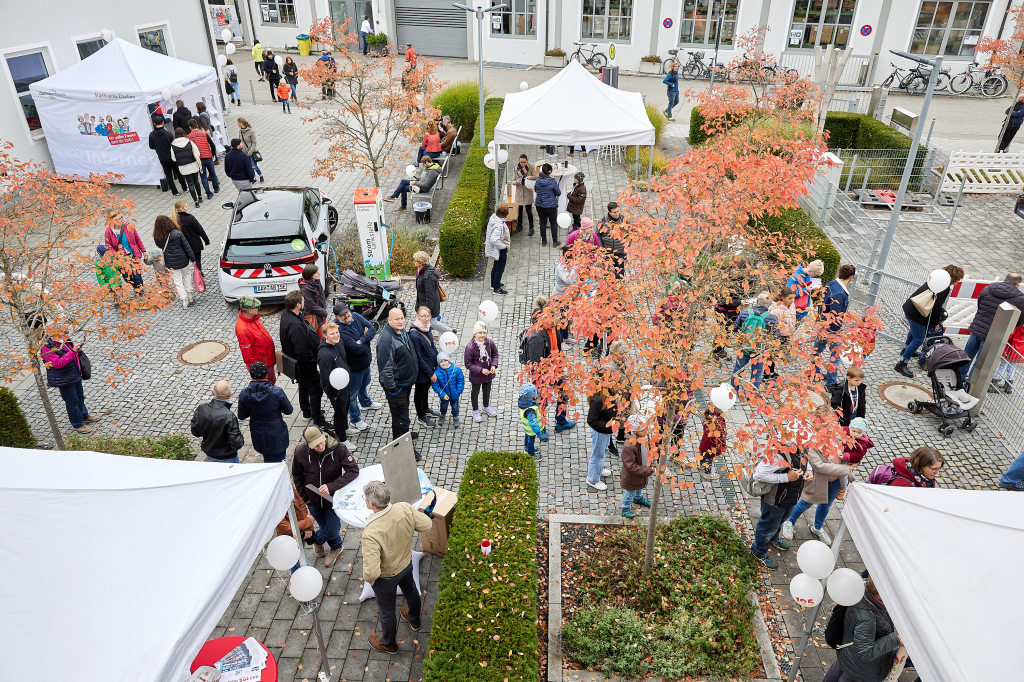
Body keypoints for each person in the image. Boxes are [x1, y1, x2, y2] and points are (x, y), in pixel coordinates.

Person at [361, 480, 432, 653]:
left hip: (386, 578)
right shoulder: (404, 508)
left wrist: (371, 582)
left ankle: (389, 644)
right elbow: (427, 525)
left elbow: (371, 571)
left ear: (370, 504)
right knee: (412, 592)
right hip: (406, 563)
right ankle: (415, 620)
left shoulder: (370, 532)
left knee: (387, 612)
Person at [292, 425, 359, 567]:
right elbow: (297, 475)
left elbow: (353, 470)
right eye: (316, 445)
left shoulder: (339, 448)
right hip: (313, 500)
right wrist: (305, 497)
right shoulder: (300, 452)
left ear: (324, 434)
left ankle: (316, 540)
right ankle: (336, 546)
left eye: (322, 442)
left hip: (333, 500)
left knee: (333, 529)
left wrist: (332, 486)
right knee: (324, 525)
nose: (321, 447)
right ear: (308, 445)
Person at [781, 433, 856, 546]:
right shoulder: (813, 443)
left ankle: (817, 527)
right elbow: (820, 466)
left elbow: (852, 457)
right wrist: (845, 469)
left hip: (836, 482)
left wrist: (854, 462)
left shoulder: (841, 441)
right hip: (819, 480)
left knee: (826, 505)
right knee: (806, 503)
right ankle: (789, 521)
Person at [749, 438, 813, 569]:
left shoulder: (803, 446)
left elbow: (805, 459)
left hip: (791, 496)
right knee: (768, 526)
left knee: (781, 520)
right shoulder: (778, 455)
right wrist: (786, 477)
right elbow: (757, 475)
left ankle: (773, 537)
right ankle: (758, 551)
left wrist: (809, 470)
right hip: (775, 500)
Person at [822, 575, 900, 682]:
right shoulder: (867, 618)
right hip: (860, 671)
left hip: (847, 655)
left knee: (834, 675)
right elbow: (865, 653)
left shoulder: (858, 591)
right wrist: (895, 639)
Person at [893, 264, 963, 379]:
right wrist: (936, 323)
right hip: (918, 314)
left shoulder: (936, 280)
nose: (957, 282)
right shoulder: (944, 288)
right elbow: (937, 306)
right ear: (954, 278)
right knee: (918, 339)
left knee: (914, 332)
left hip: (910, 308)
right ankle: (902, 363)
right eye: (958, 279)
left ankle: (906, 349)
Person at [524, 298, 576, 432]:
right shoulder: (536, 336)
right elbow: (535, 363)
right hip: (543, 374)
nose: (558, 319)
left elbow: (557, 347)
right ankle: (541, 428)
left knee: (563, 394)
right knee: (542, 401)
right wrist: (544, 378)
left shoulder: (554, 328)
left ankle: (561, 422)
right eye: (555, 316)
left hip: (556, 368)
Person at [962, 272, 1024, 381]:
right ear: (1018, 284)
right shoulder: (1020, 299)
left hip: (977, 328)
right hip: (993, 334)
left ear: (1004, 280)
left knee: (966, 356)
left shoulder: (988, 288)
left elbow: (980, 304)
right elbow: (1020, 320)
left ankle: (958, 378)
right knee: (980, 362)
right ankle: (969, 384)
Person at [281, 290, 327, 426]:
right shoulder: (294, 325)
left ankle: (307, 411)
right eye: (302, 301)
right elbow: (302, 349)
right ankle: (318, 419)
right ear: (297, 305)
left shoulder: (287, 314)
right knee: (316, 389)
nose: (304, 302)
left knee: (304, 386)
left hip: (299, 364)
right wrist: (313, 364)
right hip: (305, 365)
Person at [334, 301, 381, 431]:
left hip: (365, 363)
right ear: (337, 317)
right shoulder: (340, 331)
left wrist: (362, 340)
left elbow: (372, 328)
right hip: (354, 368)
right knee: (352, 395)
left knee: (365, 383)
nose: (347, 316)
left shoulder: (355, 316)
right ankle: (355, 419)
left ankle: (365, 403)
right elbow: (356, 349)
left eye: (347, 312)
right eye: (343, 315)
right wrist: (365, 338)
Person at [376, 307, 419, 442]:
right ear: (389, 321)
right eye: (396, 319)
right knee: (401, 417)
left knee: (402, 415)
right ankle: (403, 446)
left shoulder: (401, 332)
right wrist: (393, 389)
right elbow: (385, 369)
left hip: (404, 383)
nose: (400, 321)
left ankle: (403, 434)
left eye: (402, 318)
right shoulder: (386, 341)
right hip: (397, 387)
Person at [237, 361, 293, 463]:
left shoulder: (244, 394)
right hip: (277, 432)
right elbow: (289, 410)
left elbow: (241, 415)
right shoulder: (277, 392)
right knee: (279, 461)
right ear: (266, 374)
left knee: (267, 458)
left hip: (258, 432)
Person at [41, 334, 96, 434]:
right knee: (72, 401)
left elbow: (71, 352)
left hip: (74, 373)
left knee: (80, 396)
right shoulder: (46, 346)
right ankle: (77, 424)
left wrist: (76, 350)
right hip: (64, 378)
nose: (65, 331)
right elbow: (57, 363)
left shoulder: (64, 338)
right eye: (62, 329)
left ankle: (84, 416)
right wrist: (73, 351)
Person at [814, 263, 857, 388]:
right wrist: (837, 331)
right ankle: (831, 383)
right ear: (851, 277)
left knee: (817, 350)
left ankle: (814, 373)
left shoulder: (831, 283)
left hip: (822, 323)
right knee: (835, 354)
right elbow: (835, 315)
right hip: (831, 328)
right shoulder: (840, 293)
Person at [731, 293, 778, 392]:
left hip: (744, 347)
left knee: (738, 370)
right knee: (756, 374)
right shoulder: (773, 319)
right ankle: (752, 395)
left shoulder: (744, 313)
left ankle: (733, 390)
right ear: (770, 304)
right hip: (759, 351)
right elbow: (775, 338)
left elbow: (735, 329)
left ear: (756, 301)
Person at [318, 321, 354, 448]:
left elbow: (344, 360)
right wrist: (333, 394)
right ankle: (342, 439)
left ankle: (345, 428)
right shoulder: (324, 356)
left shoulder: (339, 343)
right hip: (336, 390)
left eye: (337, 332)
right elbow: (325, 379)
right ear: (325, 335)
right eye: (332, 333)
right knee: (340, 413)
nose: (336, 335)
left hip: (345, 384)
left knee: (345, 409)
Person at [190, 380, 245, 463]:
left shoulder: (201, 408)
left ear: (212, 392)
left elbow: (195, 431)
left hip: (210, 454)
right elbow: (237, 442)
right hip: (228, 456)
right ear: (229, 394)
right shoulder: (229, 416)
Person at [152, 215, 197, 309]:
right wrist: (193, 259)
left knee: (177, 281)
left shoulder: (157, 236)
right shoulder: (177, 233)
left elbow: (160, 246)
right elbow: (186, 247)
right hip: (183, 259)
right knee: (187, 275)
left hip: (170, 261)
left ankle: (184, 300)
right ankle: (190, 294)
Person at [408, 306, 440, 428]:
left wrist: (438, 361)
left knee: (426, 390)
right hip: (422, 371)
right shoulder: (414, 335)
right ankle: (421, 416)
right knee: (420, 393)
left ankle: (426, 409)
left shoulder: (427, 329)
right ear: (417, 317)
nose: (426, 319)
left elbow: (432, 346)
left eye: (428, 316)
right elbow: (418, 358)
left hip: (430, 367)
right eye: (423, 316)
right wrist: (430, 373)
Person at [236, 296, 277, 384]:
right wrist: (258, 370)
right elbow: (248, 356)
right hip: (262, 366)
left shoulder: (252, 318)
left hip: (267, 360)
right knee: (266, 388)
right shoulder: (242, 329)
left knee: (272, 382)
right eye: (257, 308)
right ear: (250, 311)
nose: (258, 309)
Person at [103, 210, 147, 289]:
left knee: (137, 276)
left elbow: (137, 239)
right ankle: (136, 288)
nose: (119, 221)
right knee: (127, 277)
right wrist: (117, 256)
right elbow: (108, 245)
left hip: (134, 255)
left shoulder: (129, 226)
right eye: (116, 219)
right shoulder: (109, 231)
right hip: (122, 258)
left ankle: (140, 292)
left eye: (120, 218)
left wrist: (144, 251)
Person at [465, 321, 499, 423]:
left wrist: (493, 365)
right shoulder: (470, 347)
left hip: (488, 374)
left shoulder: (489, 343)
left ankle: (486, 406)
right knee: (475, 392)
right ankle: (475, 410)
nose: (482, 335)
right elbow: (468, 364)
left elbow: (495, 354)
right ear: (475, 334)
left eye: (484, 332)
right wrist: (480, 370)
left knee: (487, 390)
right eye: (480, 333)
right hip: (476, 375)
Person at [586, 387, 619, 491]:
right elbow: (592, 420)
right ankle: (593, 479)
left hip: (605, 431)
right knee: (598, 454)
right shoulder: (597, 399)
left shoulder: (609, 393)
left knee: (603, 451)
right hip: (600, 431)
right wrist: (608, 425)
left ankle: (597, 470)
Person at [148, 115, 189, 196]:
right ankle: (184, 187)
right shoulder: (168, 134)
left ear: (154, 124)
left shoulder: (152, 135)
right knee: (178, 172)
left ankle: (174, 192)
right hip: (172, 157)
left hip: (162, 157)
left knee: (168, 175)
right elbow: (174, 144)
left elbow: (151, 146)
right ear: (163, 122)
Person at [620, 422, 654, 517]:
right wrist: (648, 470)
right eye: (643, 429)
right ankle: (625, 508)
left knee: (639, 485)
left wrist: (652, 464)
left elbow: (650, 452)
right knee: (630, 491)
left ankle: (638, 498)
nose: (646, 431)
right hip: (632, 475)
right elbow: (630, 466)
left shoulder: (644, 438)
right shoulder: (629, 446)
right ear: (635, 430)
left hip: (640, 471)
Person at [412, 251, 449, 334]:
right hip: (422, 302)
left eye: (415, 260)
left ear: (421, 262)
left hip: (428, 304)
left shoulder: (428, 276)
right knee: (422, 321)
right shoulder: (420, 271)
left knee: (433, 322)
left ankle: (449, 332)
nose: (414, 262)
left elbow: (430, 296)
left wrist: (427, 312)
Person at [170, 200, 210, 274]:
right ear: (181, 209)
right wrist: (206, 240)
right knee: (197, 260)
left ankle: (186, 275)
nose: (187, 207)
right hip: (194, 243)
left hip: (182, 245)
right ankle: (199, 274)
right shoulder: (190, 218)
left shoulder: (174, 219)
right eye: (185, 206)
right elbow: (199, 230)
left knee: (185, 261)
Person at [765, 285, 797, 379]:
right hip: (778, 336)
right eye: (789, 298)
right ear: (783, 298)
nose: (792, 300)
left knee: (776, 355)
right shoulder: (777, 310)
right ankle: (766, 375)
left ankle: (772, 371)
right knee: (771, 355)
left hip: (787, 334)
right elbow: (771, 325)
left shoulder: (792, 306)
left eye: (794, 298)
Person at [187, 120, 220, 199]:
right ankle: (216, 187)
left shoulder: (189, 137)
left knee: (203, 176)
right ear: (197, 126)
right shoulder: (204, 134)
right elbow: (212, 144)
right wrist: (212, 154)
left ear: (190, 127)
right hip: (208, 156)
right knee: (212, 173)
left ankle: (208, 193)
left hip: (199, 159)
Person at [171, 127, 203, 207]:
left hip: (183, 167)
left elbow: (173, 158)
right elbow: (197, 153)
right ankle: (200, 197)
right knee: (196, 181)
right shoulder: (189, 142)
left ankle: (196, 202)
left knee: (190, 184)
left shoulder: (173, 145)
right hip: (193, 164)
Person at [432, 351, 464, 427]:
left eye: (445, 360)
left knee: (455, 406)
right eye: (441, 361)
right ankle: (442, 415)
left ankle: (455, 416)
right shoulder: (436, 373)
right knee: (443, 406)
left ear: (448, 361)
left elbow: (460, 380)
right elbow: (435, 385)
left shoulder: (456, 370)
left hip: (454, 394)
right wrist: (442, 394)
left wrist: (458, 391)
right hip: (444, 395)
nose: (444, 363)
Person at [533, 163, 561, 247]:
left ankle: (544, 241)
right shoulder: (552, 181)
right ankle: (555, 241)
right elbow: (558, 193)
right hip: (551, 206)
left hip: (540, 205)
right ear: (549, 171)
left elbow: (535, 190)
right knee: (553, 223)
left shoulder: (538, 180)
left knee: (542, 222)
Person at [518, 383, 548, 460]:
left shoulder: (525, 401)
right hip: (531, 430)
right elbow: (533, 423)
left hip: (527, 429)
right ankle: (531, 455)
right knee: (531, 441)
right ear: (531, 395)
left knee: (527, 437)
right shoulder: (531, 410)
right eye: (535, 392)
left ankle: (526, 448)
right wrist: (538, 433)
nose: (537, 393)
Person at [485, 205, 511, 295]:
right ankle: (496, 289)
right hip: (499, 249)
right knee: (499, 268)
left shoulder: (494, 219)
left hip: (496, 249)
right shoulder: (498, 225)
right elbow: (494, 240)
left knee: (496, 266)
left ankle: (494, 284)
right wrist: (503, 246)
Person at [597, 202, 626, 277]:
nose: (617, 214)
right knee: (607, 273)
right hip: (607, 253)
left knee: (620, 273)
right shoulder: (603, 221)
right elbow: (598, 235)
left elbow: (629, 234)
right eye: (614, 212)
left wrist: (626, 247)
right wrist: (601, 248)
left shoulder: (624, 221)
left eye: (618, 211)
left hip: (620, 252)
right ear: (609, 212)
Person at [299, 264, 330, 334]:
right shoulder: (305, 289)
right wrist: (323, 312)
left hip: (321, 315)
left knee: (326, 335)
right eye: (316, 272)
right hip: (314, 317)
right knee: (320, 339)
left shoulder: (317, 282)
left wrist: (323, 310)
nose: (319, 273)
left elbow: (323, 297)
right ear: (310, 275)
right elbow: (310, 306)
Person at [698, 404, 726, 479]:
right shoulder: (718, 422)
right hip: (711, 446)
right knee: (709, 459)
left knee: (703, 454)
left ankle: (702, 465)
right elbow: (719, 438)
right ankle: (708, 473)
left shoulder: (708, 416)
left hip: (705, 442)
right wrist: (721, 450)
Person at [512, 154, 535, 235]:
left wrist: (530, 177)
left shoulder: (530, 167)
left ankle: (531, 227)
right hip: (519, 193)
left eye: (524, 162)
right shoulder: (516, 169)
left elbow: (536, 176)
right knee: (519, 211)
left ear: (527, 161)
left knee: (529, 211)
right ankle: (519, 225)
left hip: (527, 192)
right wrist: (517, 182)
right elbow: (513, 181)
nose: (522, 164)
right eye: (521, 162)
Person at [238, 117, 264, 183]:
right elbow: (240, 141)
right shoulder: (240, 131)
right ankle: (253, 178)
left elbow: (254, 142)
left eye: (238, 123)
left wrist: (250, 152)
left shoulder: (251, 131)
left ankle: (261, 175)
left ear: (241, 123)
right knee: (249, 166)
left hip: (251, 151)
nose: (237, 124)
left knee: (253, 166)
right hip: (244, 152)